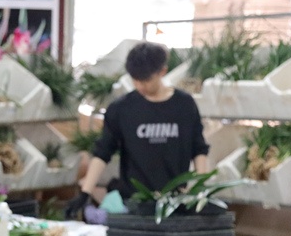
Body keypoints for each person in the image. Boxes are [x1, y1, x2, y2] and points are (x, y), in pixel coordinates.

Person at [65, 41, 209, 219]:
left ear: (162, 72)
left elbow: (199, 148)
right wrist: (85, 193)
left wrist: (202, 190)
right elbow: (103, 152)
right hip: (133, 203)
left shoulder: (184, 105)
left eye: (146, 80)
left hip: (174, 203)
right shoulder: (122, 109)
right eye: (135, 80)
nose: (140, 86)